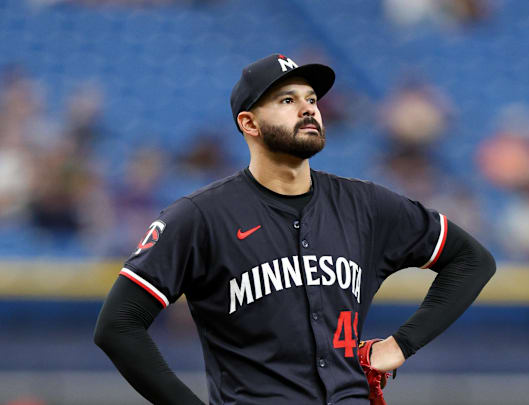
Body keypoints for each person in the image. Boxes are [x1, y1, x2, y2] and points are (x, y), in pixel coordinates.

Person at [94, 53, 496, 405]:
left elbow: (471, 260)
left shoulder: (366, 205)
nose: (308, 109)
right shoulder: (200, 216)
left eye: (312, 99)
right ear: (249, 123)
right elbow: (118, 325)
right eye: (287, 100)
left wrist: (401, 344)